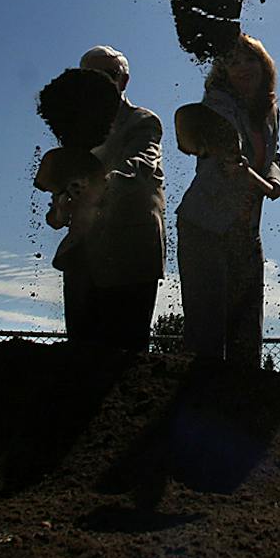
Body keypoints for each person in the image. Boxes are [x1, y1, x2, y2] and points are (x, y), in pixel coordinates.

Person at [35, 61, 166, 353]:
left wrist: (99, 185)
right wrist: (60, 206)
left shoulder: (143, 121)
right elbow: (59, 205)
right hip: (85, 250)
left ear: (124, 80)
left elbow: (141, 165)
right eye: (92, 76)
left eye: (109, 75)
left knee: (126, 352)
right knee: (81, 349)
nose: (101, 83)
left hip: (132, 248)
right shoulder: (76, 128)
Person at [175, 33, 280, 367]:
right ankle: (197, 404)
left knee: (247, 326)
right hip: (205, 225)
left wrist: (274, 181)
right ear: (223, 72)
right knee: (206, 329)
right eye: (232, 62)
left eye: (248, 59)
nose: (242, 68)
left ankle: (240, 408)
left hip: (246, 230)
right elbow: (217, 142)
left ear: (262, 64)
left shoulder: (270, 111)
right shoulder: (216, 103)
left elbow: (274, 154)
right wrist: (240, 168)